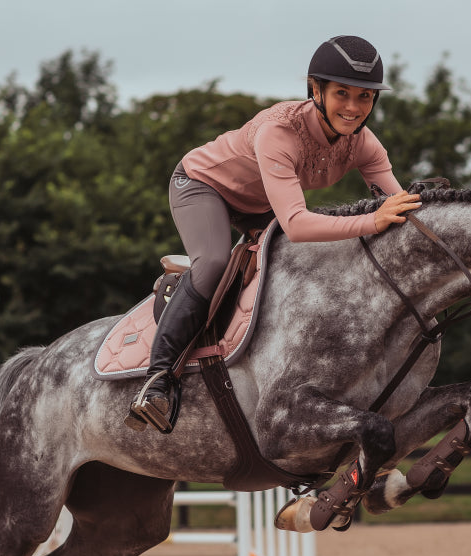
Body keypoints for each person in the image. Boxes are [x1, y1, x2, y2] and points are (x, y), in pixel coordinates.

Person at [128, 34, 422, 433]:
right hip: (202, 185)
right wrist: (372, 221)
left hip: (259, 203)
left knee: (305, 266)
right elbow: (298, 224)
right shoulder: (279, 132)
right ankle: (157, 380)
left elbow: (398, 205)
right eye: (342, 93)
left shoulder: (364, 143)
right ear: (315, 90)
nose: (354, 107)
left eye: (365, 97)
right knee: (213, 262)